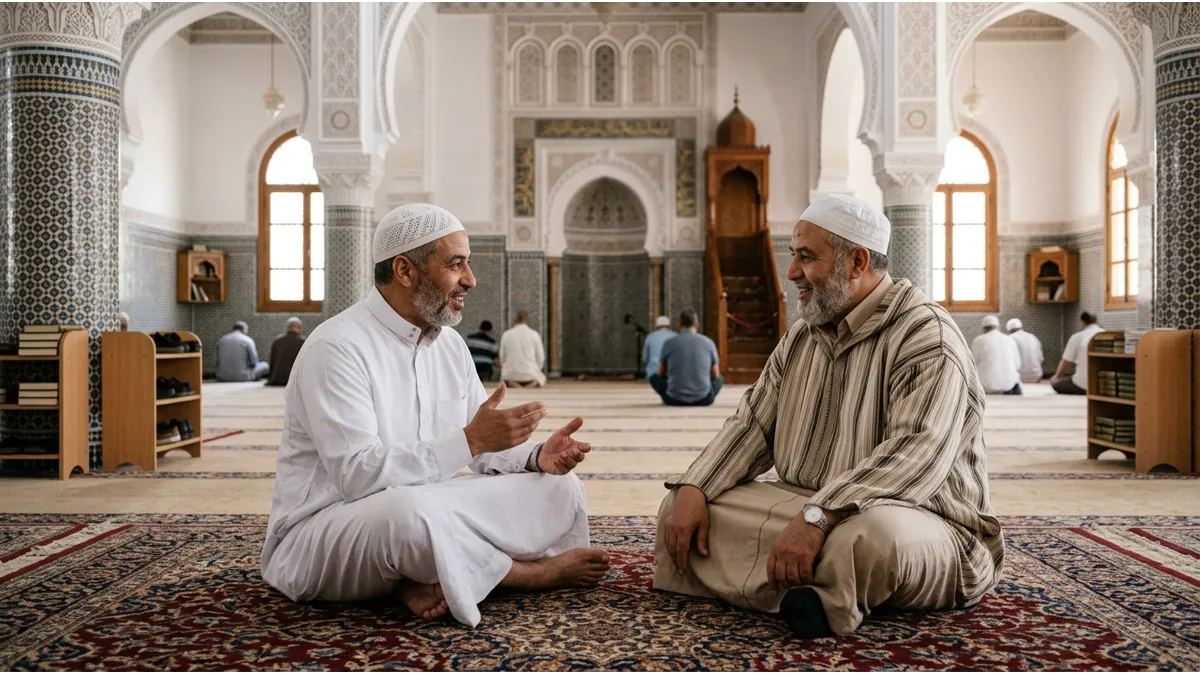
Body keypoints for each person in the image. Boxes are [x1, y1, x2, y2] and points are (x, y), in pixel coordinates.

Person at [654, 194, 1003, 639]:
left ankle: (816, 592)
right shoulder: (802, 335)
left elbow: (918, 451)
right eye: (793, 256)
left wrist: (821, 515)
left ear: (856, 261)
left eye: (807, 257)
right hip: (806, 504)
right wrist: (697, 484)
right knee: (684, 506)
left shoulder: (925, 336)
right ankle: (808, 586)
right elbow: (751, 425)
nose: (792, 272)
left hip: (920, 518)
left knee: (868, 540)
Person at [261, 203, 608, 628]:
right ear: (405, 271)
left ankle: (413, 578)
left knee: (558, 488)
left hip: (426, 505)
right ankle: (524, 575)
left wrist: (536, 457)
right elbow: (356, 476)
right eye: (455, 265)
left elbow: (479, 452)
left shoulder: (448, 345)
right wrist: (470, 440)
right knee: (408, 515)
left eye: (469, 264)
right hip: (325, 528)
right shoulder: (337, 348)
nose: (470, 280)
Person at [650, 310, 722, 406]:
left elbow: (660, 373)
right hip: (704, 399)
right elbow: (716, 375)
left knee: (653, 378)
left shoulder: (669, 343)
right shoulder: (708, 342)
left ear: (679, 325)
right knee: (720, 379)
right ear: (697, 325)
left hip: (673, 399)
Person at [1052, 312, 1104, 395]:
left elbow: (1066, 362)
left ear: (1082, 323)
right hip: (1103, 386)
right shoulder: (1106, 334)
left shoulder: (1078, 336)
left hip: (1082, 386)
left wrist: (1056, 377)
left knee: (1056, 384)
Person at [970, 315, 1022, 395]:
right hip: (1009, 386)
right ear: (998, 327)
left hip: (985, 386)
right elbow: (1018, 365)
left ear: (984, 328)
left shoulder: (979, 340)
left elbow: (972, 364)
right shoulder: (1010, 339)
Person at [499, 311, 546, 388]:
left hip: (511, 374)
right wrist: (536, 369)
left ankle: (513, 383)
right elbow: (541, 358)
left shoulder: (506, 334)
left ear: (515, 320)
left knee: (506, 378)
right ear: (527, 320)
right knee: (541, 378)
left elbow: (502, 357)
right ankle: (532, 384)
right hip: (530, 374)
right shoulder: (534, 334)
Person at [266, 317, 306, 387]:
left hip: (276, 379)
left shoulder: (277, 341)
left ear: (288, 327)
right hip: (294, 380)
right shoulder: (303, 341)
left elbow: (272, 362)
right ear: (299, 328)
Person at [1006, 318, 1044, 384]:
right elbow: (1041, 358)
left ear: (1010, 330)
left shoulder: (1010, 338)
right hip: (1037, 376)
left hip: (1020, 377)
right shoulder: (1033, 337)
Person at [642, 315, 677, 381]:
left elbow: (645, 358)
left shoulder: (650, 337)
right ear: (669, 325)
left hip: (653, 375)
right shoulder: (675, 336)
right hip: (671, 375)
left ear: (656, 326)